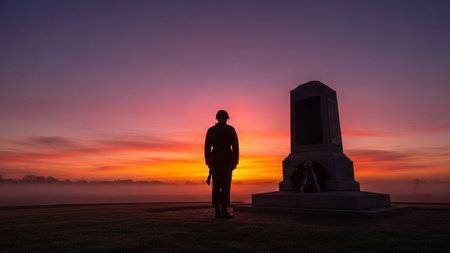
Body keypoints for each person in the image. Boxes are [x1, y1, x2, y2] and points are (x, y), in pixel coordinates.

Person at [204, 110, 239, 218]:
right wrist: (235, 161)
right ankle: (222, 212)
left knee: (217, 187)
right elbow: (235, 147)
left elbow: (207, 148)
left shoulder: (211, 130)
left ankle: (218, 212)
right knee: (224, 187)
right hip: (226, 161)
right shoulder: (230, 130)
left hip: (217, 161)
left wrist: (208, 162)